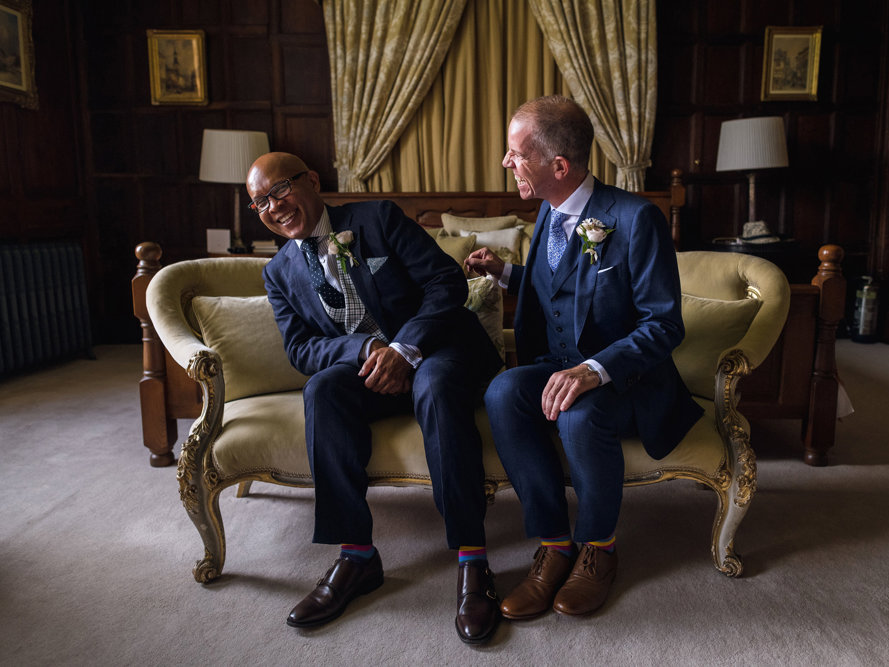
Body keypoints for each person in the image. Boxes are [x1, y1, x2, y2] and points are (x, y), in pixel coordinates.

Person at [247, 152, 503, 644]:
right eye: (260, 203)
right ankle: (357, 555)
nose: (273, 208)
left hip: (439, 350)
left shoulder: (377, 217)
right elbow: (301, 348)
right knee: (322, 388)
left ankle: (473, 558)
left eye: (279, 191)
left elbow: (443, 282)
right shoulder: (278, 273)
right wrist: (368, 349)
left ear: (312, 181)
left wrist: (405, 349)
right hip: (369, 368)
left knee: (436, 383)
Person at [465, 96, 703, 618]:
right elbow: (563, 291)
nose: (507, 164)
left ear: (558, 166)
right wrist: (506, 275)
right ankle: (554, 543)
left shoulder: (636, 218)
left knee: (581, 412)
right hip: (556, 366)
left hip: (626, 381)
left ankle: (598, 548)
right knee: (503, 392)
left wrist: (593, 370)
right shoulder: (548, 212)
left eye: (515, 154)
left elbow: (664, 324)